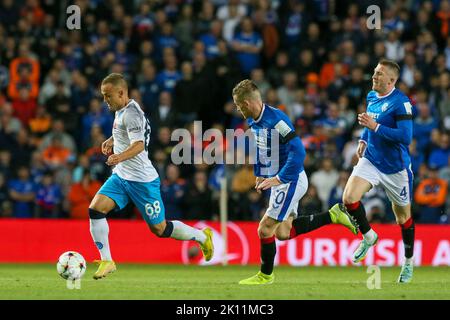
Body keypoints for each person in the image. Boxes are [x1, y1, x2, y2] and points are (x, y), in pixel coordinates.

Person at [232, 80, 358, 285]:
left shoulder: (277, 120)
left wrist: (280, 178)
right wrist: (261, 173)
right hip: (278, 180)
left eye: (238, 105)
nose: (237, 109)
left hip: (289, 179)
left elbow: (299, 151)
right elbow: (263, 150)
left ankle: (265, 275)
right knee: (283, 232)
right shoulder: (254, 121)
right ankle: (333, 215)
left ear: (247, 103)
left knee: (264, 229)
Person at [89, 73, 213, 280]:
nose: (105, 100)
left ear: (121, 92)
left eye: (107, 96)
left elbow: (139, 145)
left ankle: (202, 237)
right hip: (121, 176)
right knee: (95, 209)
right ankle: (107, 260)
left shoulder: (132, 113)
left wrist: (118, 156)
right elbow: (139, 131)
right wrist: (113, 139)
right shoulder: (122, 110)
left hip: (142, 180)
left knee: (160, 228)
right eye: (103, 96)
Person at [342, 59, 415, 283]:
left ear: (392, 80)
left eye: (380, 74)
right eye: (374, 72)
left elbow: (405, 137)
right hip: (372, 160)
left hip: (396, 168)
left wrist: (375, 128)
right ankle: (368, 235)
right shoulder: (372, 96)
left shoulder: (401, 103)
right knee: (349, 198)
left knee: (402, 217)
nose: (374, 76)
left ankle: (409, 262)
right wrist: (365, 138)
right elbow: (370, 122)